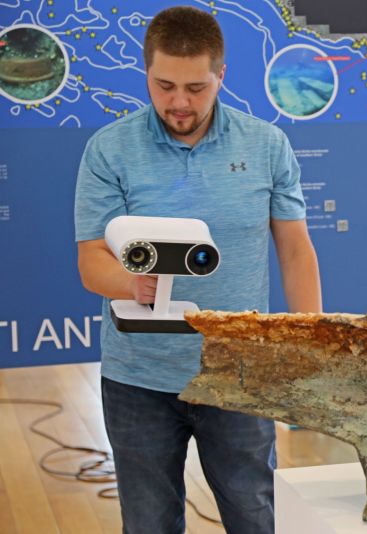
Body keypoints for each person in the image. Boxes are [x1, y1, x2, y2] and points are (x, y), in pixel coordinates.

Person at [74, 6, 321, 533]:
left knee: (255, 517)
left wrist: (312, 346)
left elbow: (296, 250)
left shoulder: (267, 145)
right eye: (164, 86)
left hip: (238, 373)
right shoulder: (108, 150)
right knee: (149, 524)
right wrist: (134, 285)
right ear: (146, 72)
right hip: (138, 380)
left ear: (221, 76)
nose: (179, 102)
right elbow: (92, 259)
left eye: (196, 88)